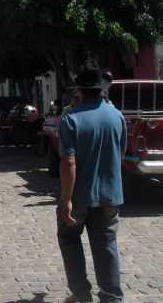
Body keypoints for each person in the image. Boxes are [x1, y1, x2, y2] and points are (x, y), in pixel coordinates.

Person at [57, 64, 126, 303]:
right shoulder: (117, 116)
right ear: (101, 90)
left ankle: (81, 294)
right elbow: (121, 152)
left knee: (69, 238)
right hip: (110, 195)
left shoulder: (70, 118)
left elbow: (68, 163)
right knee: (106, 244)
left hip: (79, 196)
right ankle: (111, 296)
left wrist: (66, 199)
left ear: (79, 90)